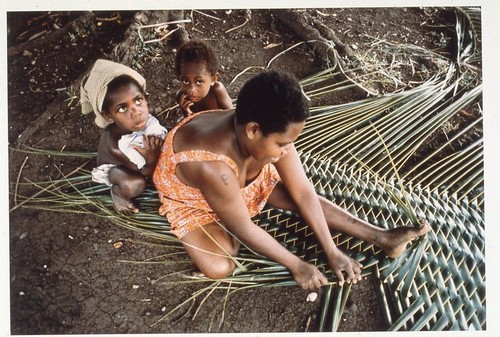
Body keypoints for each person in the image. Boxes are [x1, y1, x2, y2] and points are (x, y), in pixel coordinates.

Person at [153, 70, 430, 289]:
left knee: (288, 190)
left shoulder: (269, 128)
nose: (288, 151)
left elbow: (303, 192)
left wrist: (330, 249)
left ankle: (381, 236)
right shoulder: (213, 167)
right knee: (219, 267)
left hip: (238, 172)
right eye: (283, 144)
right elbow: (245, 228)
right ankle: (222, 213)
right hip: (194, 194)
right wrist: (297, 265)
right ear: (253, 130)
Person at [80, 59, 167, 214]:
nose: (136, 113)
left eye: (138, 100)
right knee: (135, 184)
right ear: (108, 116)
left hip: (143, 158)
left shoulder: (145, 113)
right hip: (122, 168)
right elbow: (145, 173)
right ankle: (118, 193)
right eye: (122, 109)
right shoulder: (119, 145)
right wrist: (152, 158)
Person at [175, 40, 233, 116]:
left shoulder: (217, 91)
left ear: (213, 79)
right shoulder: (182, 98)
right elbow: (191, 124)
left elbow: (233, 118)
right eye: (186, 81)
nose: (191, 90)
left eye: (199, 82)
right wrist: (187, 113)